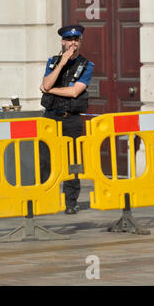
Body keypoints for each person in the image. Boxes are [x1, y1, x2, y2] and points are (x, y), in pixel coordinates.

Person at [39, 24, 95, 214]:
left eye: (76, 40)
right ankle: (46, 198)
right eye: (69, 40)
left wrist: (50, 90)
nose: (73, 44)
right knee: (45, 160)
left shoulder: (86, 65)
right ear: (62, 42)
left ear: (80, 42)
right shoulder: (53, 61)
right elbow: (46, 82)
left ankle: (71, 201)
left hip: (71, 119)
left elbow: (74, 92)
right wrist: (62, 63)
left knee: (72, 161)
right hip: (50, 117)